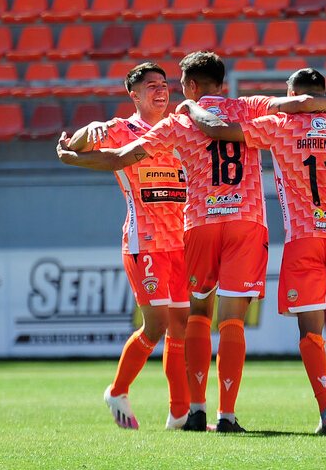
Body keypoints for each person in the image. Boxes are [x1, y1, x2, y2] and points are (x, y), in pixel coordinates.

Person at [57, 52, 326, 434]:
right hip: (246, 223)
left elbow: (120, 157)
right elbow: (301, 104)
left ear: (188, 86)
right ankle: (228, 415)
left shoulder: (178, 122)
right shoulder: (250, 108)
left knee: (197, 315)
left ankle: (195, 409)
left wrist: (70, 157)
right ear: (223, 82)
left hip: (200, 223)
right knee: (231, 319)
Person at [181, 68, 326, 434]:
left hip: (303, 238)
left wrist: (191, 108)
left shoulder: (279, 125)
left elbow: (219, 131)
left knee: (310, 330)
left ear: (292, 94)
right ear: (323, 94)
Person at [60, 62, 191, 430]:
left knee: (180, 324)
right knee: (157, 324)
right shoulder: (121, 131)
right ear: (134, 95)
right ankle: (117, 391)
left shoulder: (178, 129)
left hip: (181, 241)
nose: (160, 90)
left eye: (164, 84)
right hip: (144, 241)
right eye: (151, 85)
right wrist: (89, 130)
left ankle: (179, 414)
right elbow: (76, 144)